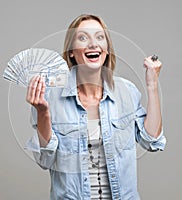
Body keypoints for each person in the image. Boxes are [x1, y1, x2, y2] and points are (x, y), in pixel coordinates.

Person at [25, 14, 166, 200]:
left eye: (100, 37)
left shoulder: (127, 91)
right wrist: (43, 113)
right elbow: (46, 160)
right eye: (83, 37)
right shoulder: (50, 97)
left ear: (107, 50)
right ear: (71, 53)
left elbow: (152, 141)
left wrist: (152, 86)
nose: (93, 44)